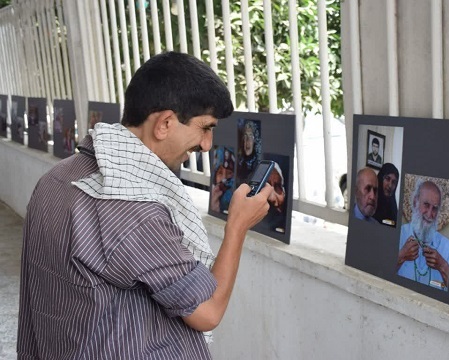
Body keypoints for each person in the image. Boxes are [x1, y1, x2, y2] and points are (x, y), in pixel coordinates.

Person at [17, 51, 271, 359]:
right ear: (164, 123)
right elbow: (207, 311)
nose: (207, 144)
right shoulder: (134, 210)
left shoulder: (58, 177)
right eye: (205, 127)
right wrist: (237, 227)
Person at [397, 180, 449, 290]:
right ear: (414, 202)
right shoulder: (399, 235)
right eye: (426, 205)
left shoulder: (446, 246)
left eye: (435, 208)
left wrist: (442, 265)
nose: (430, 214)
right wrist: (401, 256)